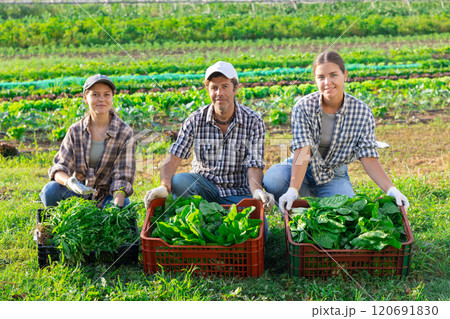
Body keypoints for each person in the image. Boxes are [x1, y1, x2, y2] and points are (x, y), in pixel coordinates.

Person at [263, 51, 409, 213]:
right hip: (300, 169)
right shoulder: (303, 107)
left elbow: (368, 156)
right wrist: (293, 189)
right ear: (315, 79)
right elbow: (303, 151)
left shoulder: (361, 112)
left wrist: (391, 189)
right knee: (273, 179)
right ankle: (294, 203)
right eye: (321, 77)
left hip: (333, 175)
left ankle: (321, 198)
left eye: (333, 75)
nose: (327, 82)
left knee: (347, 211)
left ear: (344, 75)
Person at [144, 61, 274, 239]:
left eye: (225, 87)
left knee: (262, 234)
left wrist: (257, 192)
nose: (219, 93)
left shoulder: (253, 121)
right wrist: (164, 186)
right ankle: (201, 218)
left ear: (235, 88)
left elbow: (254, 165)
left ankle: (214, 222)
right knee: (180, 180)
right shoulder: (195, 120)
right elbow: (174, 157)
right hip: (204, 189)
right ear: (208, 90)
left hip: (238, 192)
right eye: (214, 88)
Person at [40, 74, 136, 208]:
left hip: (106, 196)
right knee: (50, 190)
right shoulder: (75, 131)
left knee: (124, 205)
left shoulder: (124, 133)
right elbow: (59, 168)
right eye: (95, 94)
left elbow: (122, 177)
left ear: (112, 98)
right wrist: (70, 182)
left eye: (106, 94)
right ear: (86, 98)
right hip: (76, 193)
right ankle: (55, 225)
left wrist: (116, 208)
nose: (101, 99)